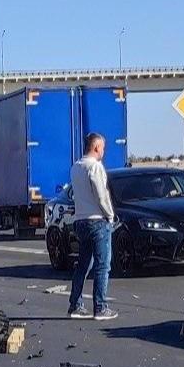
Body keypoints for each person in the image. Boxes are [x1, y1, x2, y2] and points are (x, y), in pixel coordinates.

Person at [66, 131, 115, 321]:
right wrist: (110, 215)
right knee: (103, 265)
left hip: (81, 220)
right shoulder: (95, 167)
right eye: (102, 147)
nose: (103, 151)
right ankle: (100, 307)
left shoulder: (76, 167)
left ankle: (75, 305)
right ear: (96, 147)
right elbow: (101, 195)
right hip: (97, 220)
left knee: (83, 264)